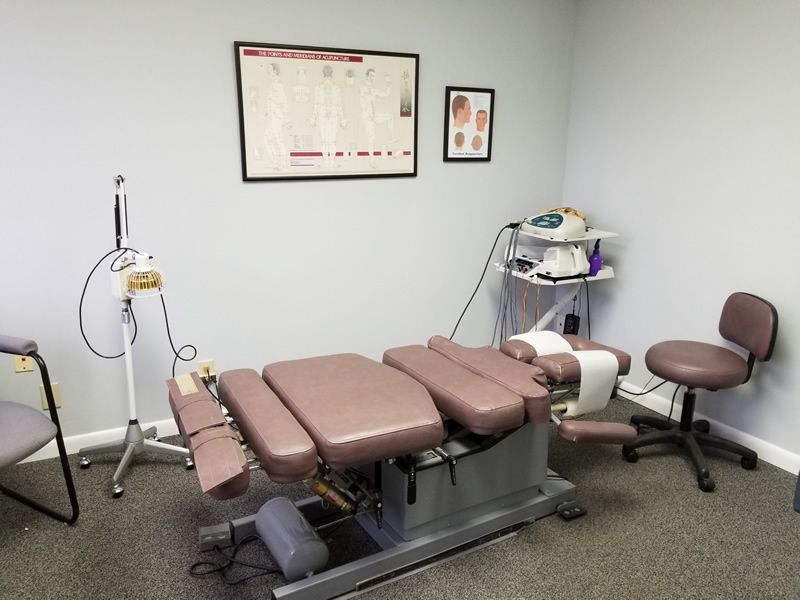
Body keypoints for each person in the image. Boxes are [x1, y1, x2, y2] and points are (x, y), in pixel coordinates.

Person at [311, 64, 346, 168]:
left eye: (329, 72)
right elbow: (316, 103)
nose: (327, 74)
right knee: (324, 140)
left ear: (331, 74)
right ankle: (326, 160)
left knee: (332, 140)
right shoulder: (318, 88)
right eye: (326, 72)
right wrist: (313, 116)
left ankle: (332, 161)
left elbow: (339, 104)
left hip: (334, 115)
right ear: (323, 74)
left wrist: (342, 118)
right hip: (322, 115)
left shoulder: (336, 88)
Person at [360, 68, 394, 166]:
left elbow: (386, 94)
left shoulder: (374, 90)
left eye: (374, 76)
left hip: (374, 115)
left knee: (390, 116)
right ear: (366, 76)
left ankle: (392, 137)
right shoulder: (362, 88)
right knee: (372, 139)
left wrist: (388, 83)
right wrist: (374, 100)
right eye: (371, 75)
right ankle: (372, 161)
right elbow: (363, 104)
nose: (373, 78)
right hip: (367, 117)